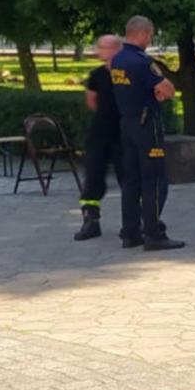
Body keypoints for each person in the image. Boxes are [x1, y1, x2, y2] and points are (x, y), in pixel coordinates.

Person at [110, 16, 185, 251]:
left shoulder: (118, 60)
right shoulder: (141, 61)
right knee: (155, 180)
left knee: (131, 180)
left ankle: (130, 232)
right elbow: (167, 90)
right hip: (146, 125)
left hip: (127, 124)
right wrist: (161, 92)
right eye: (150, 34)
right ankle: (153, 233)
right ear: (142, 33)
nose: (150, 39)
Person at [74, 35, 123, 241]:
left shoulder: (128, 73)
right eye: (99, 47)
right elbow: (91, 101)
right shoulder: (96, 75)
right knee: (93, 176)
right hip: (99, 133)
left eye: (104, 47)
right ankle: (91, 221)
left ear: (117, 49)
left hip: (124, 133)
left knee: (128, 176)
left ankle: (134, 222)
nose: (99, 51)